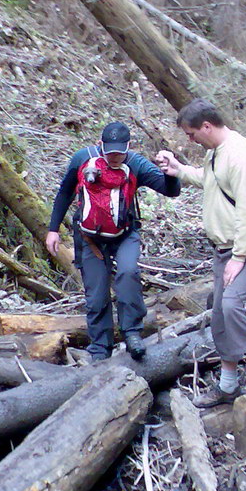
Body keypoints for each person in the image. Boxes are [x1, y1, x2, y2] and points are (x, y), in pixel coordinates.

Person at [156, 98, 246, 407]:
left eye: (191, 134)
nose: (190, 140)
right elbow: (212, 183)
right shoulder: (216, 153)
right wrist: (179, 170)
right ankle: (229, 385)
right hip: (224, 247)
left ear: (206, 126)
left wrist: (240, 258)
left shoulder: (240, 155)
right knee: (219, 314)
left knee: (233, 307)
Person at [47, 121, 181, 362]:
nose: (116, 156)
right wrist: (53, 229)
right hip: (89, 237)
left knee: (128, 273)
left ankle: (132, 333)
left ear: (128, 146)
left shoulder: (135, 163)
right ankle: (100, 350)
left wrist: (171, 174)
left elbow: (170, 191)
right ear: (101, 145)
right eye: (111, 152)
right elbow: (65, 191)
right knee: (96, 295)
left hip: (125, 233)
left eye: (121, 151)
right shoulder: (82, 159)